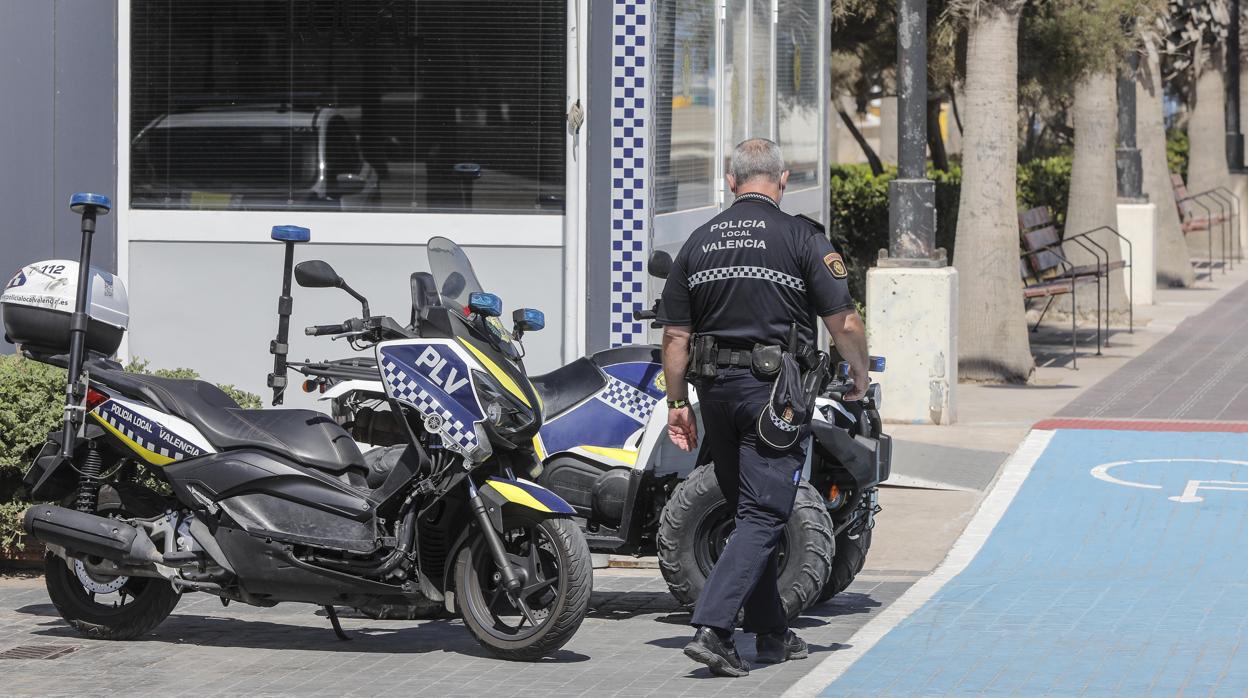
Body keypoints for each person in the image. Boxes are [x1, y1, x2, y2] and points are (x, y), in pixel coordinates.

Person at [658, 138, 870, 677]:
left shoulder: (697, 243)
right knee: (764, 512)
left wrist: (677, 404)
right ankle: (714, 629)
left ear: (731, 182)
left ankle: (772, 633)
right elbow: (843, 322)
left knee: (746, 507)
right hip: (773, 397)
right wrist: (860, 376)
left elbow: (676, 338)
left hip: (715, 396)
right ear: (783, 179)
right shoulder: (800, 237)